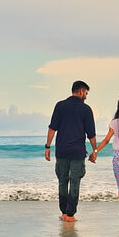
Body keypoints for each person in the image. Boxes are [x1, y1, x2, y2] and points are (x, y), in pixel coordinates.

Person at [45, 80, 97, 222]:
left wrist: (47, 147)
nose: (86, 96)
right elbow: (91, 133)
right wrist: (95, 150)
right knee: (75, 181)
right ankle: (70, 214)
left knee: (62, 181)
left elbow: (52, 128)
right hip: (77, 152)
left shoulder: (60, 106)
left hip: (61, 151)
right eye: (86, 93)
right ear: (80, 91)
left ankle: (63, 213)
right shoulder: (86, 110)